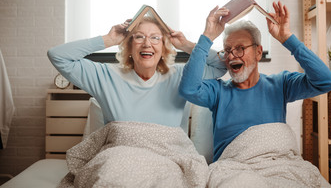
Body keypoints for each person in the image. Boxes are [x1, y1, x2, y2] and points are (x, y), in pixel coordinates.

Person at [179, 1, 331, 162]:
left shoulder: (281, 84)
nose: (232, 55)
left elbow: (326, 81)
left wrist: (287, 39)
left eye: (240, 48)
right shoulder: (218, 91)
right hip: (232, 169)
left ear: (258, 52)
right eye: (227, 50)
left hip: (276, 165)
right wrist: (207, 36)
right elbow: (188, 89)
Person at [47, 15, 227, 131]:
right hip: (120, 161)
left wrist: (185, 45)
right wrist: (109, 39)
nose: (147, 44)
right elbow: (58, 56)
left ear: (164, 47)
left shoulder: (182, 76)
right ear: (129, 46)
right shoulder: (105, 76)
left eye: (155, 38)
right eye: (139, 37)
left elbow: (221, 65)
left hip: (167, 161)